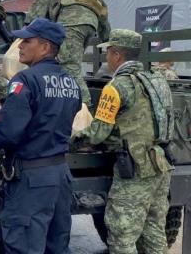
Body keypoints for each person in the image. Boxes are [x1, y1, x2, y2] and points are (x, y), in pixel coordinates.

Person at [0, 18, 80, 254]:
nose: (19, 45)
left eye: (27, 41)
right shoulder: (71, 82)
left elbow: (12, 127)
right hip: (60, 173)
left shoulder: (26, 80)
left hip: (32, 177)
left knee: (23, 244)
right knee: (57, 244)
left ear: (45, 47)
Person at [71, 29, 173, 254]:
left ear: (117, 55)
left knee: (121, 236)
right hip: (160, 164)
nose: (107, 57)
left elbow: (98, 133)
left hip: (134, 170)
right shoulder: (158, 81)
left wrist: (71, 141)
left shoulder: (116, 87)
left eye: (108, 52)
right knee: (154, 231)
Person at [26, 0, 109, 107]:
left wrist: (31, 23)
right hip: (91, 23)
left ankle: (83, 109)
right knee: (70, 65)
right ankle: (66, 106)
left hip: (71, 19)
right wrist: (106, 36)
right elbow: (102, 6)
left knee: (69, 67)